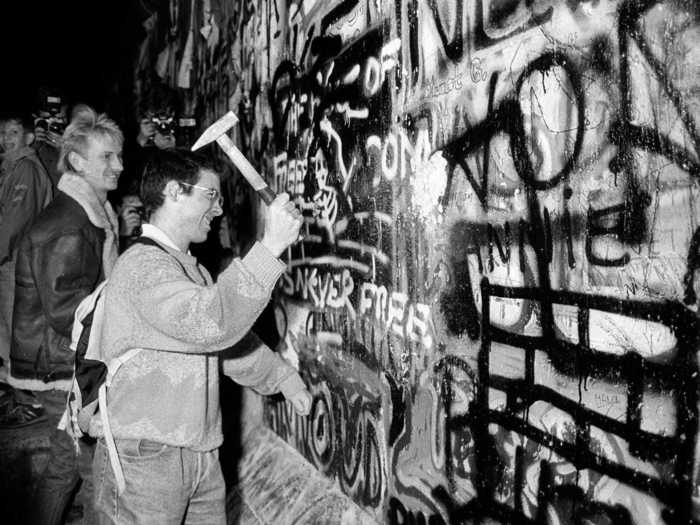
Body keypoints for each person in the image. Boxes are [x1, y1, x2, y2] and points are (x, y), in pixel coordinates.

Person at [91, 148, 311, 524]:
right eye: (210, 195)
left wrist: (282, 378)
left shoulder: (189, 270)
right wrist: (271, 247)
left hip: (200, 455)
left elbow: (225, 344)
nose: (219, 209)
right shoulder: (143, 267)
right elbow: (211, 323)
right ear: (175, 192)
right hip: (146, 459)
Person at [10, 106, 123, 524]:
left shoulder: (86, 214)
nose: (119, 165)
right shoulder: (69, 225)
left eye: (118, 155)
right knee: (88, 470)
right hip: (62, 366)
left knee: (66, 466)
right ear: (77, 161)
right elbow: (67, 314)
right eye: (107, 157)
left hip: (65, 361)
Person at [0, 114, 52, 388]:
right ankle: (21, 393)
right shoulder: (10, 167)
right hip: (10, 260)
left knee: (16, 330)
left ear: (29, 137)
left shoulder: (25, 169)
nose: (6, 138)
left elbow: (15, 221)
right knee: (7, 330)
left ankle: (29, 398)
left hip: (16, 261)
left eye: (13, 132)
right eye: (3, 133)